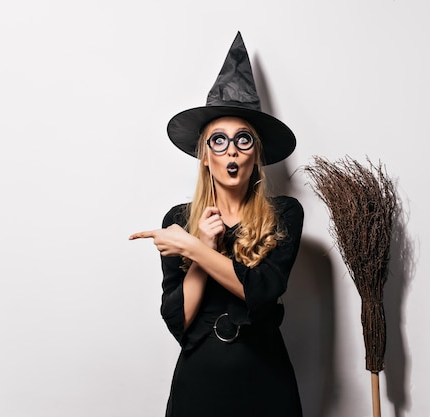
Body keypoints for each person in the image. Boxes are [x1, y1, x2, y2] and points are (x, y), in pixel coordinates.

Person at [129, 32, 304, 417]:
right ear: (205, 156)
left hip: (266, 379)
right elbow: (180, 320)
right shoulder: (179, 219)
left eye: (243, 140)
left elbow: (263, 289)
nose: (231, 152)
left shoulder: (285, 213)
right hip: (201, 384)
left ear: (257, 154)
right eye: (218, 141)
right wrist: (203, 245)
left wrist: (190, 248)